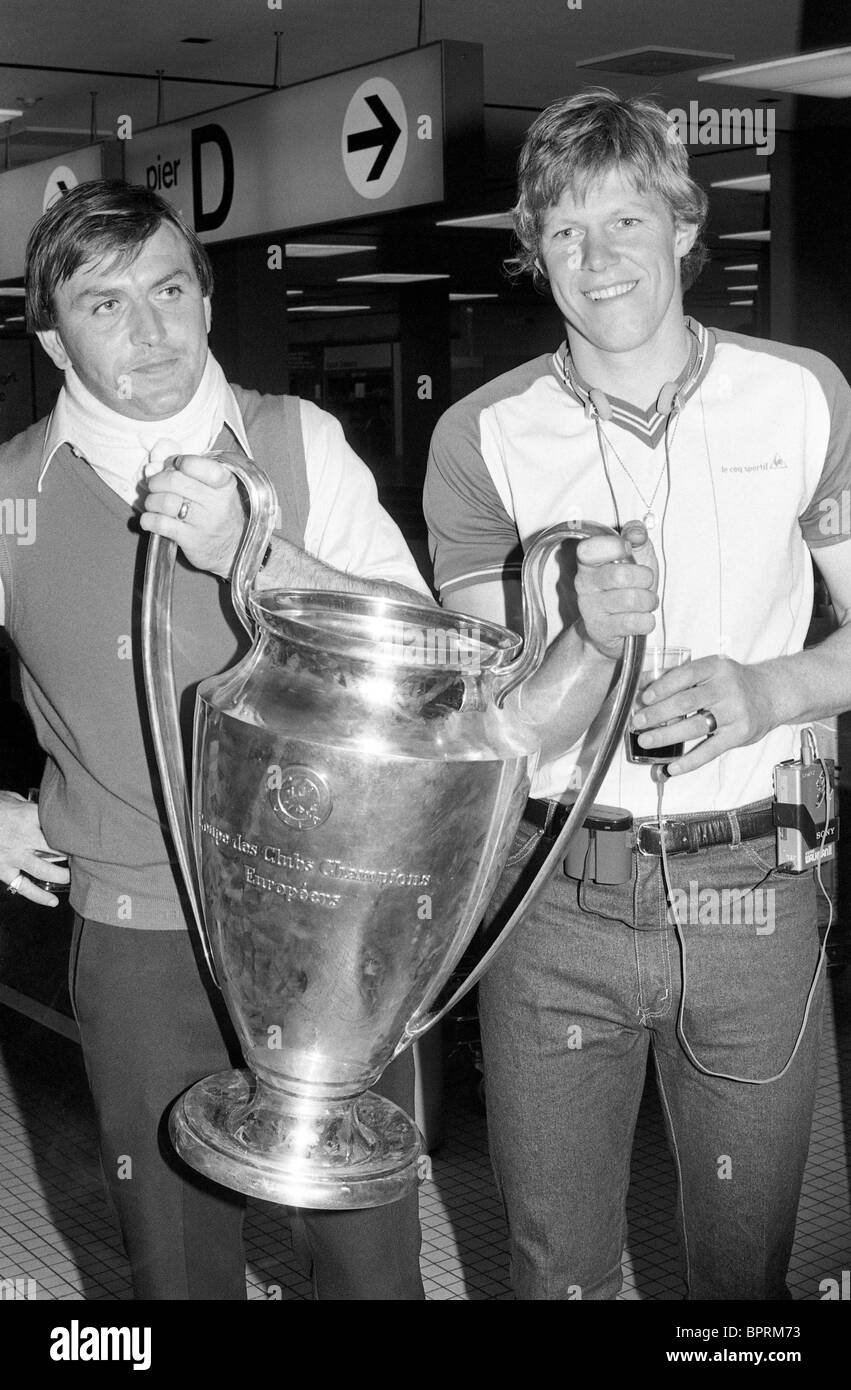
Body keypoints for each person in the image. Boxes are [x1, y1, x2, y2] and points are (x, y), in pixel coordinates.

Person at [424, 87, 851, 1300]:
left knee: (739, 1276)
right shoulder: (480, 437)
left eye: (624, 221)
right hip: (550, 900)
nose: (596, 257)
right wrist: (580, 644)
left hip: (752, 896)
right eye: (562, 231)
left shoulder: (800, 395)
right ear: (532, 251)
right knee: (555, 1270)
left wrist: (768, 690)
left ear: (681, 225)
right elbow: (482, 724)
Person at [0, 179, 430, 1300]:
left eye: (169, 289)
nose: (150, 331)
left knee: (367, 1255)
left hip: (337, 923)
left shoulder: (298, 442)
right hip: (139, 927)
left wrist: (258, 552)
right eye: (104, 304)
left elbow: (431, 667)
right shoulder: (10, 495)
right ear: (51, 337)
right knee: (177, 1265)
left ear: (204, 298)